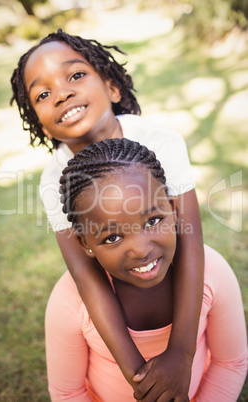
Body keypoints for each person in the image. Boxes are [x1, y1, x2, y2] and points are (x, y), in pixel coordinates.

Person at [10, 29, 205, 399]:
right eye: (43, 94)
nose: (62, 93)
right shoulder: (55, 179)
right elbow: (88, 279)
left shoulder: (161, 141)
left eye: (76, 75)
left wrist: (182, 352)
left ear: (113, 89)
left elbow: (191, 241)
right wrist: (139, 378)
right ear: (40, 123)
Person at [45, 137, 247, 401]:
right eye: (112, 238)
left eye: (152, 220)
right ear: (86, 244)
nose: (140, 249)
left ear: (174, 211)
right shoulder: (69, 303)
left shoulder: (213, 272)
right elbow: (68, 392)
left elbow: (230, 363)